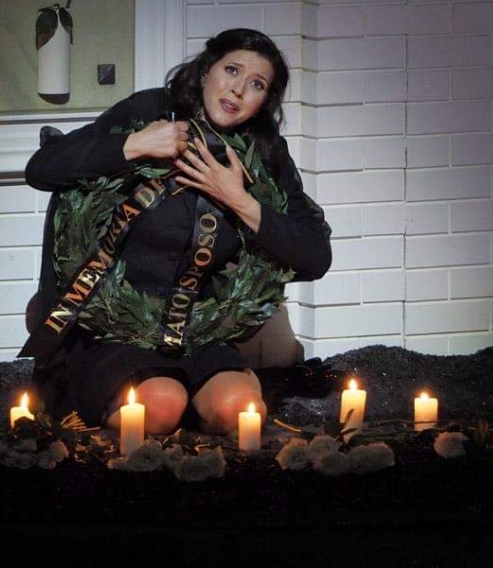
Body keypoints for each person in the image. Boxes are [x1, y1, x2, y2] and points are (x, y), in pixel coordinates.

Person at [17, 28, 332, 435]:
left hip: (198, 333)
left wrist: (239, 200)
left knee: (242, 409)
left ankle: (191, 404)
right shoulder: (149, 110)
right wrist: (134, 144)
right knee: (161, 405)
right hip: (113, 332)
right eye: (231, 70)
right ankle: (151, 405)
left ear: (264, 101)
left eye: (257, 84)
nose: (238, 90)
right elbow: (41, 169)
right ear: (205, 71)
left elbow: (315, 256)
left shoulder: (264, 153)